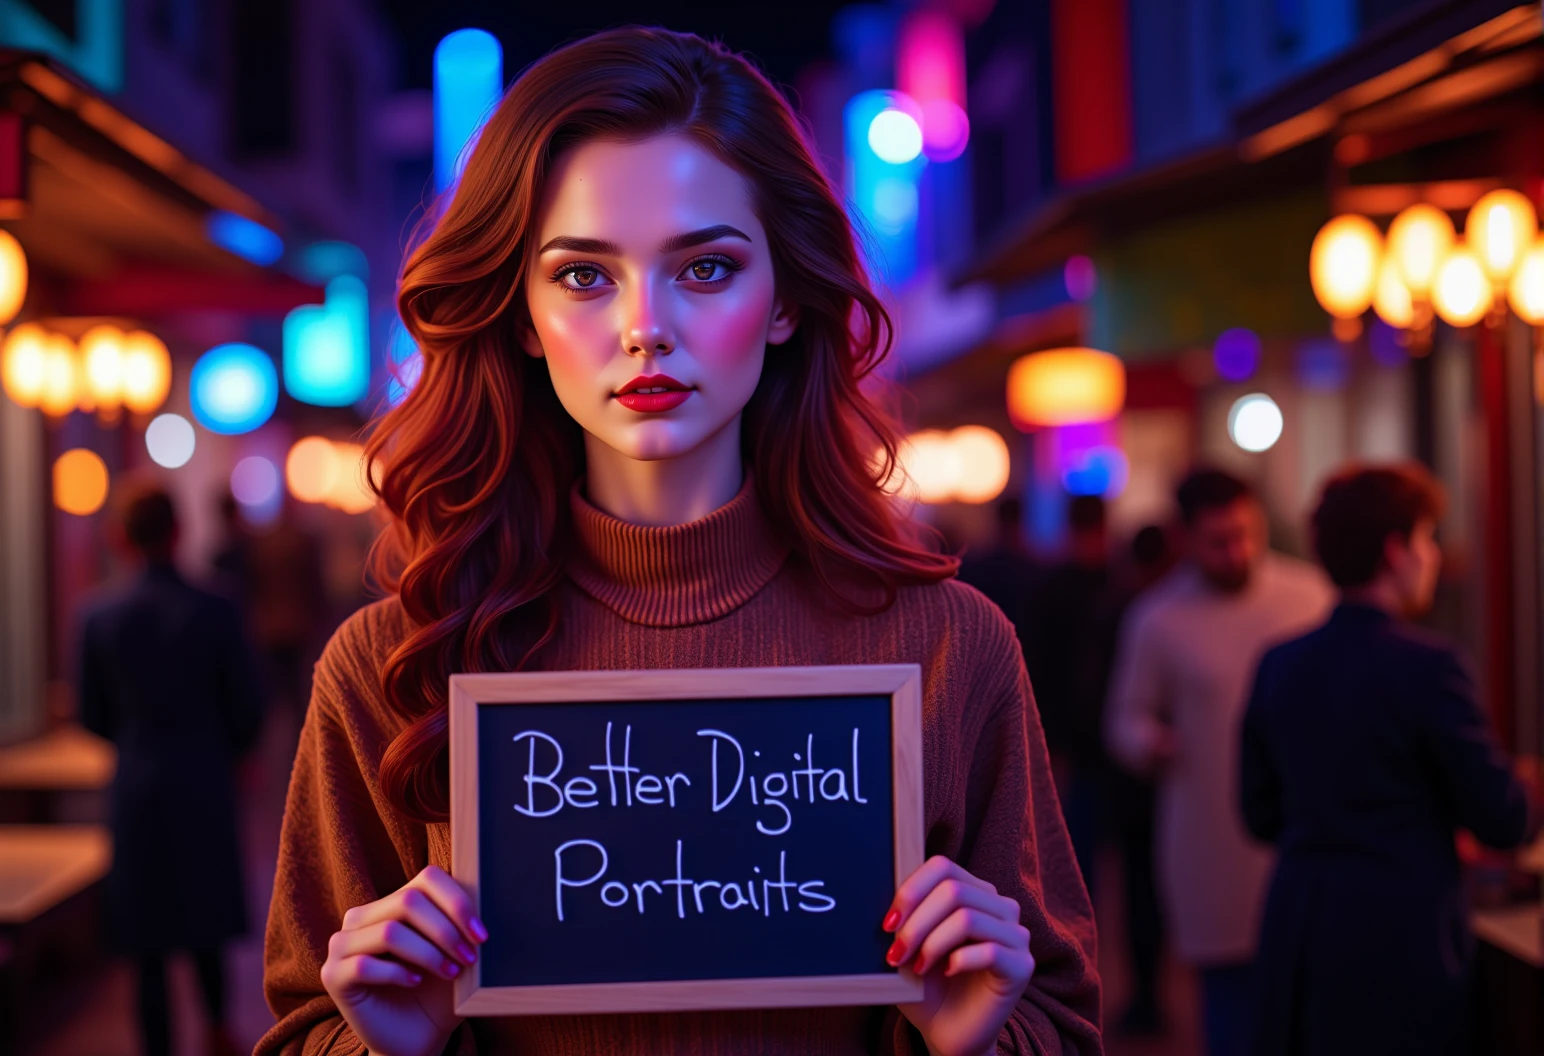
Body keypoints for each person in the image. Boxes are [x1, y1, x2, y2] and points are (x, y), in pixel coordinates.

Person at [257, 27, 1100, 1056]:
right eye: (581, 277)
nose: (644, 327)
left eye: (704, 268)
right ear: (518, 312)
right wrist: (385, 1046)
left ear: (786, 298)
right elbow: (302, 1029)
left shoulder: (950, 648)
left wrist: (976, 1041)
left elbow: (1061, 1022)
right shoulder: (392, 669)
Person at [1240, 463, 1535, 1056]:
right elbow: (1502, 818)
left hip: (1299, 922)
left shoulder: (1280, 662)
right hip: (1401, 932)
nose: (1432, 556)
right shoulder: (1431, 666)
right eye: (1427, 538)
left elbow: (1258, 813)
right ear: (1396, 551)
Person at [1104, 469, 1331, 1056]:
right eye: (1219, 540)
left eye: (1246, 534)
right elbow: (1123, 719)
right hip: (1208, 833)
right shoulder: (1158, 618)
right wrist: (1150, 741)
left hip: (1303, 831)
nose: (1238, 552)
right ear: (1185, 538)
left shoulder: (1309, 596)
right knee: (1230, 1011)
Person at [76, 482, 265, 1056]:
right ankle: (218, 1030)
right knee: (204, 923)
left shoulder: (97, 616)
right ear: (178, 531)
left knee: (146, 940)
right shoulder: (219, 606)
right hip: (204, 777)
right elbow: (247, 709)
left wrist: (137, 740)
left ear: (119, 538)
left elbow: (92, 715)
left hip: (137, 784)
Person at [1094, 524, 1174, 1036]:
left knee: (1138, 887)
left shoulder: (1121, 610)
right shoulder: (1152, 616)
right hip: (1148, 778)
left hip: (1123, 778)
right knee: (1148, 888)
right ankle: (1149, 996)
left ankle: (1145, 996)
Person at [1030, 495, 1112, 891]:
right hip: (1104, 725)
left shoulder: (1053, 584)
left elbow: (1043, 662)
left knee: (1077, 834)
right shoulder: (1117, 580)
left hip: (1073, 728)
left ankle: (1083, 911)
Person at [956, 496, 1040, 664]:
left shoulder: (976, 568)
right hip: (1025, 657)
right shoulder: (1034, 571)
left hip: (984, 656)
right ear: (1021, 523)